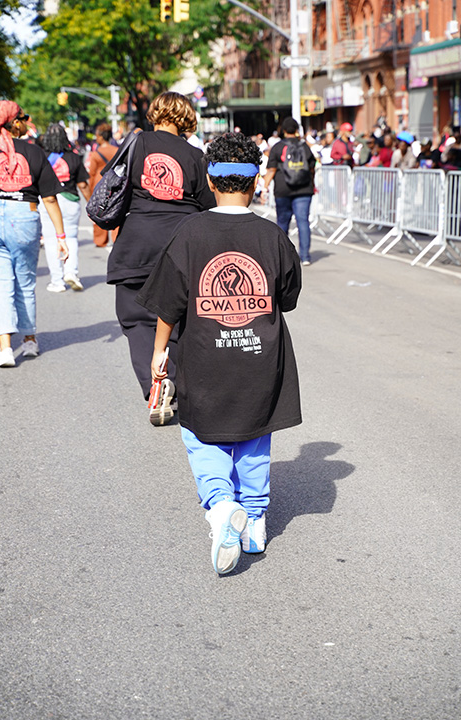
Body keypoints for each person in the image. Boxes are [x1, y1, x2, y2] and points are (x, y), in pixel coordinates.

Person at [137, 132, 302, 575]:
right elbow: (287, 298)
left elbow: (169, 303)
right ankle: (255, 523)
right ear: (256, 182)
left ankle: (220, 504)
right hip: (262, 358)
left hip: (203, 357)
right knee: (255, 433)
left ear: (210, 181)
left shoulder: (188, 233)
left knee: (202, 435)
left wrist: (159, 352)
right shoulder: (273, 236)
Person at [106, 91, 216, 424]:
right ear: (186, 119)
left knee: (135, 319)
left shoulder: (136, 144)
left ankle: (155, 384)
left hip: (137, 243)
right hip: (181, 243)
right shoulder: (195, 155)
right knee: (178, 319)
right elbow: (208, 205)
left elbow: (113, 186)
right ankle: (175, 383)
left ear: (155, 113)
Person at [0, 101, 68, 368]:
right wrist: (61, 237)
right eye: (23, 118)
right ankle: (29, 341)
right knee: (26, 282)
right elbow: (50, 198)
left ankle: (5, 348)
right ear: (15, 122)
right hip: (25, 215)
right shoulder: (33, 151)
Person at [39, 124, 90, 292]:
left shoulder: (41, 156)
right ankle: (71, 272)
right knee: (71, 237)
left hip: (47, 201)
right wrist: (91, 204)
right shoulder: (73, 157)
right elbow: (83, 184)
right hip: (70, 200)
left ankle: (57, 281)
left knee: (50, 240)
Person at [263, 116, 316, 265]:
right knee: (303, 221)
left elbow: (271, 170)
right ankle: (305, 256)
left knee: (282, 222)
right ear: (297, 130)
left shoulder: (278, 147)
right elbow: (312, 167)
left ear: (283, 130)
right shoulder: (304, 147)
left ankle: (283, 257)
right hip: (304, 189)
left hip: (283, 189)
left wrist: (265, 187)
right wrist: (312, 183)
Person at [88, 123, 121, 249]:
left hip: (99, 183)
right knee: (116, 208)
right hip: (114, 183)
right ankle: (116, 236)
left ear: (101, 137)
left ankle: (100, 240)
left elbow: (92, 173)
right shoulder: (116, 150)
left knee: (99, 211)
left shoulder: (96, 154)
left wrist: (90, 190)